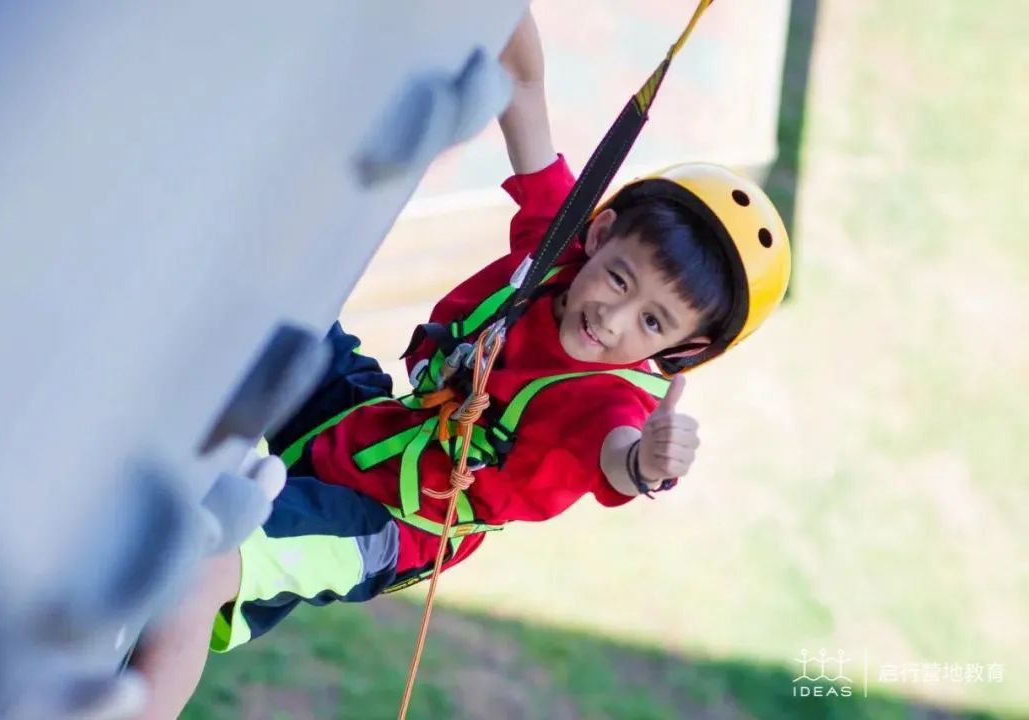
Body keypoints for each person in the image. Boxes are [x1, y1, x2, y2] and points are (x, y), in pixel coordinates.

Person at [132, 9, 791, 718]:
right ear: (599, 234)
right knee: (283, 306)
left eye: (652, 322)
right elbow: (524, 86)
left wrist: (650, 462)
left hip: (388, 522)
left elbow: (619, 455)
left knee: (206, 565)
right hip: (372, 422)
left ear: (679, 351)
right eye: (620, 279)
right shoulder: (558, 247)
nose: (612, 317)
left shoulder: (607, 404)